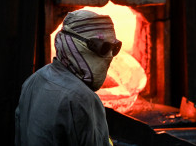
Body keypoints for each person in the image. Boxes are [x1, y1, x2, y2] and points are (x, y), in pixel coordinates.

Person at [15, 10, 121, 146]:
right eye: (103, 47)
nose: (109, 56)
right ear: (75, 45)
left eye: (114, 47)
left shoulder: (34, 79)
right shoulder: (83, 98)